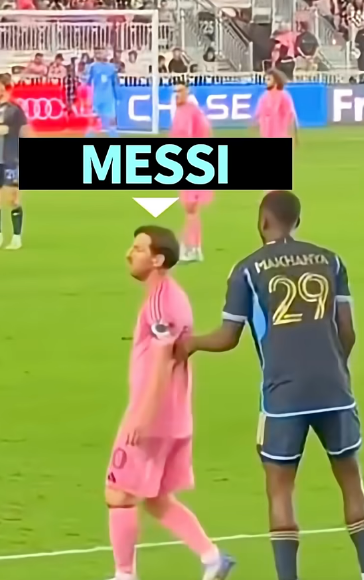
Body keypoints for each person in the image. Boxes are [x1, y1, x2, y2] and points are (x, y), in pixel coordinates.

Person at [176, 191, 364, 580]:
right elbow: (348, 330)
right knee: (351, 479)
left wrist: (190, 344)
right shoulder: (331, 260)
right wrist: (335, 367)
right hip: (335, 389)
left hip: (283, 394)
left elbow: (228, 336)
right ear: (297, 222)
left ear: (263, 221)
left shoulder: (247, 270)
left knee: (280, 488)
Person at [105, 225, 234, 580]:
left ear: (157, 259)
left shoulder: (163, 301)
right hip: (174, 415)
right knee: (157, 498)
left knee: (119, 493)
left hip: (154, 416)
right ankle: (212, 557)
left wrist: (141, 416)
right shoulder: (168, 296)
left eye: (138, 249)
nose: (130, 254)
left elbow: (163, 360)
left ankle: (124, 575)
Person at [170, 82, 213, 263]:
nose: (177, 95)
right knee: (191, 209)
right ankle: (193, 247)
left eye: (180, 91)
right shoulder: (182, 112)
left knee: (191, 208)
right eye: (175, 92)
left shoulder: (191, 112)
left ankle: (191, 248)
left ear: (187, 92)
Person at [0, 74, 31, 250]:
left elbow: (24, 132)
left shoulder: (14, 110)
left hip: (10, 158)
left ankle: (16, 237)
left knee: (12, 198)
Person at [86, 47, 119, 137]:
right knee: (93, 119)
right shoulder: (93, 67)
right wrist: (89, 97)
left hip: (109, 97)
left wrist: (117, 96)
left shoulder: (112, 68)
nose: (102, 54)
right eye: (99, 53)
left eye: (104, 52)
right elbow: (88, 83)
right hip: (97, 97)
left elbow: (115, 83)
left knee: (112, 120)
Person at [255, 69, 297, 141]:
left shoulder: (284, 96)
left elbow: (291, 115)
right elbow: (259, 114)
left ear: (276, 81)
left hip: (281, 135)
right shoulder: (264, 97)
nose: (266, 82)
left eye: (269, 79)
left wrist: (293, 134)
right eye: (266, 79)